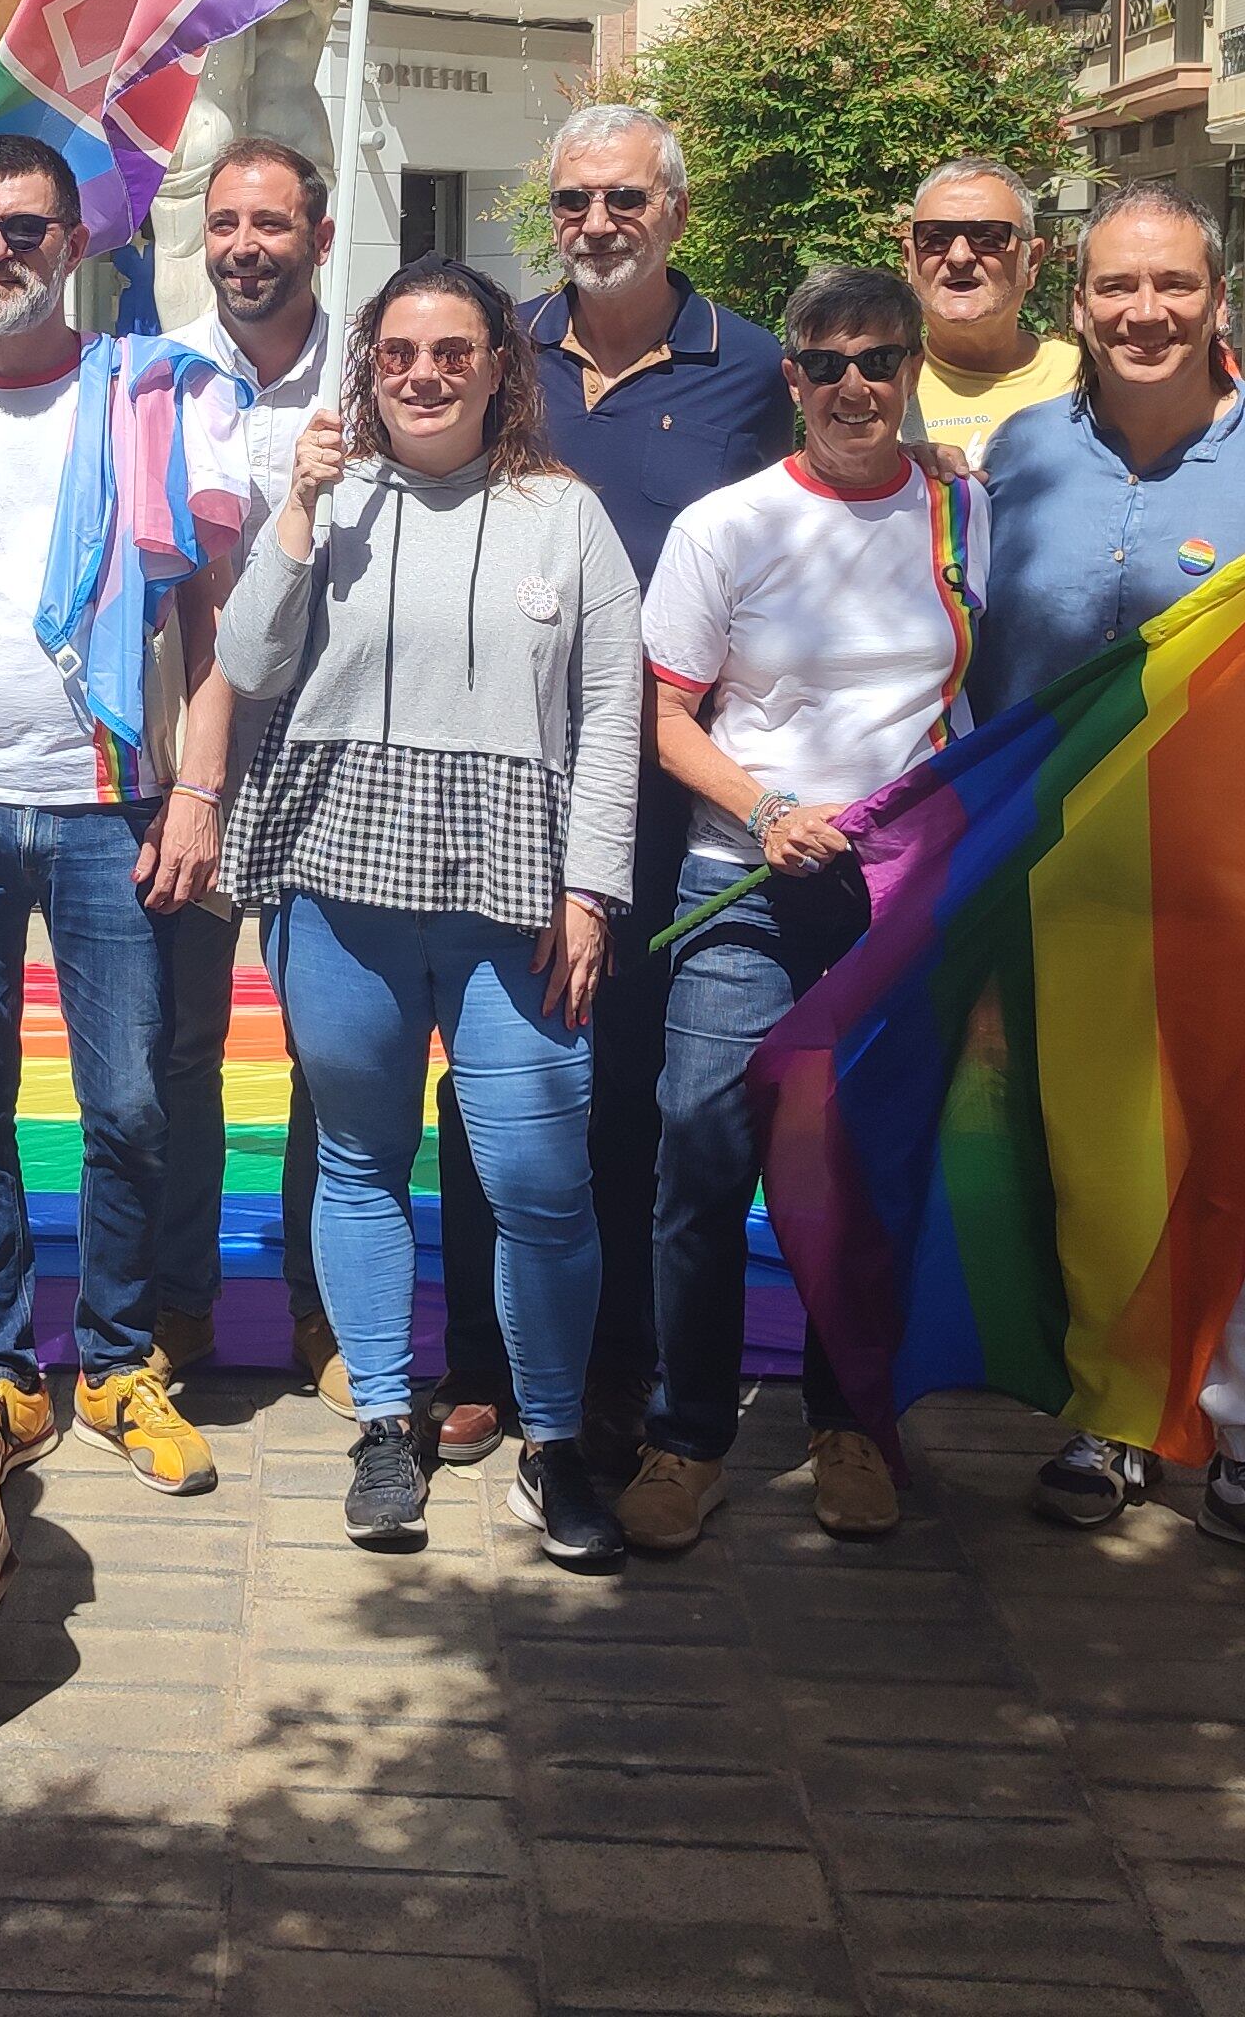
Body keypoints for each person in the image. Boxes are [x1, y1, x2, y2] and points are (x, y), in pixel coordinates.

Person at [969, 182, 1245, 1590]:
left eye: (1171, 287)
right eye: (1115, 289)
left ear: (1221, 299)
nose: (1142, 313)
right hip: (1067, 888)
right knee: (1095, 1168)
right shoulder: (1023, 455)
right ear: (1076, 306)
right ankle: (1112, 1420)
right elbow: (980, 668)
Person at [219, 259, 640, 1565]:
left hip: (513, 895)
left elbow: (616, 705)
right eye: (399, 351)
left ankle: (556, 1444)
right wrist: (293, 514)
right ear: (369, 363)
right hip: (339, 882)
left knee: (540, 1185)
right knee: (358, 1162)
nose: (424, 373)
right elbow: (244, 664)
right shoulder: (328, 497)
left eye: (454, 350)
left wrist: (592, 887)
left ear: (500, 367)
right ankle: (382, 1427)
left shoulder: (563, 516)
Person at [0, 133, 240, 1496]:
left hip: (107, 808)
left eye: (25, 228)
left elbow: (208, 620)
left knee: (130, 1103)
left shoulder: (146, 402)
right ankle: (3, 1368)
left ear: (79, 246)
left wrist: (197, 793)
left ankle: (120, 1362)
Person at [627, 264, 989, 1555]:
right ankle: (687, 1437)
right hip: (745, 881)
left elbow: (981, 694)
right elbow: (662, 713)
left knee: (868, 1169)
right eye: (826, 363)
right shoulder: (726, 528)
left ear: (911, 374)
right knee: (702, 1151)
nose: (854, 386)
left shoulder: (962, 513)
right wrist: (768, 807)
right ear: (789, 377)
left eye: (879, 362)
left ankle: (851, 1423)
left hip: (899, 892)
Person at [513, 102, 797, 1470]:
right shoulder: (501, 352)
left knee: (631, 1092)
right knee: (502, 1077)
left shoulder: (752, 369)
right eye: (575, 203)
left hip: (671, 793)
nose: (599, 226)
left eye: (626, 200)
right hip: (507, 778)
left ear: (676, 213)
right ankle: (490, 1363)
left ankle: (621, 1368)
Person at [164, 140, 342, 1397]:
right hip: (190, 760)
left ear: (318, 240)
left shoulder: (384, 372)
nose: (244, 246)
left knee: (334, 1057)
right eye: (224, 222)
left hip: (337, 763)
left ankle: (322, 1313)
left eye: (270, 224)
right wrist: (191, 781)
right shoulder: (157, 380)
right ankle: (177, 1305)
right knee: (177, 1050)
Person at [903, 158, 1081, 462]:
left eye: (988, 237)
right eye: (935, 238)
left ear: (1033, 261)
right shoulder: (880, 384)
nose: (959, 256)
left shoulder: (1090, 380)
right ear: (909, 260)